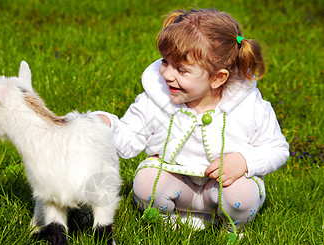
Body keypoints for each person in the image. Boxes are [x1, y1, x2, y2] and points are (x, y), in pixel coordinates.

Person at [97, 8, 289, 231]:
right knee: (146, 182)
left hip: (221, 189)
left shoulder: (249, 107)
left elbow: (277, 148)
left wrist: (245, 162)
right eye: (165, 61)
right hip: (178, 185)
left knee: (242, 196)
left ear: (217, 78)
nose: (167, 74)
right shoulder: (156, 99)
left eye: (181, 69)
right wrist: (108, 125)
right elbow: (130, 137)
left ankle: (231, 228)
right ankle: (168, 225)